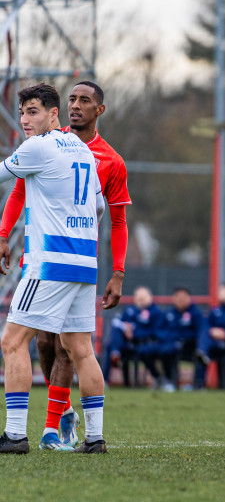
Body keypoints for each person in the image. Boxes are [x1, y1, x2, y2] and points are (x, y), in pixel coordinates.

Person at [0, 80, 130, 449]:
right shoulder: (85, 152)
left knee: (12, 342)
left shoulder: (38, 148)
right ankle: (95, 438)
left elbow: (4, 178)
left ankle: (13, 435)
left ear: (52, 114)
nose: (25, 120)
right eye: (22, 112)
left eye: (33, 112)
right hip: (84, 265)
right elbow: (99, 208)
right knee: (81, 349)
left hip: (49, 263)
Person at [161, 287, 206, 389]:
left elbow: (201, 330)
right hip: (172, 344)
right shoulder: (168, 313)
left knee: (201, 355)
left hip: (190, 346)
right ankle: (169, 381)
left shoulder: (196, 313)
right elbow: (160, 330)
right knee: (164, 350)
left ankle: (198, 384)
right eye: (178, 297)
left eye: (184, 297)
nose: (181, 300)